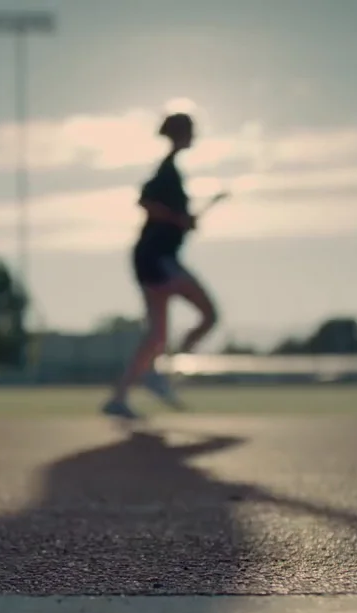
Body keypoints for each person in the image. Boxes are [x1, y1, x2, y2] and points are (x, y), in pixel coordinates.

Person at [102, 112, 219, 420]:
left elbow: (170, 215)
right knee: (207, 313)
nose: (195, 136)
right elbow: (147, 202)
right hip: (156, 258)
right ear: (182, 134)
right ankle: (165, 370)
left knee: (156, 334)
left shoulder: (172, 172)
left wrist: (185, 221)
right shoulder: (167, 171)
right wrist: (179, 219)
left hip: (155, 258)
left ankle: (123, 394)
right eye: (191, 131)